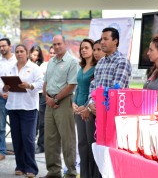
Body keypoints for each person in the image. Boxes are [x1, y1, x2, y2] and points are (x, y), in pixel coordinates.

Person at [0, 44, 44, 177]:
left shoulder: (34, 68)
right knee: (17, 139)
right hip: (13, 107)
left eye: (22, 51)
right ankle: (20, 166)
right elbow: (2, 87)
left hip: (28, 108)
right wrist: (5, 88)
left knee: (28, 138)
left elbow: (41, 84)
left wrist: (29, 85)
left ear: (27, 53)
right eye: (17, 52)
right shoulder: (10, 67)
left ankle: (31, 168)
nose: (19, 54)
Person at [42, 35, 78, 178]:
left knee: (67, 139)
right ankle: (54, 171)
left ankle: (70, 172)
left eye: (59, 44)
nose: (56, 47)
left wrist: (55, 99)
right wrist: (47, 97)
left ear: (65, 43)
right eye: (54, 44)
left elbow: (72, 85)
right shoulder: (50, 62)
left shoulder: (72, 62)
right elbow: (45, 83)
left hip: (63, 102)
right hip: (49, 103)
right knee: (50, 139)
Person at [82, 27, 132, 125]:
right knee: (95, 141)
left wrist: (99, 105)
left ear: (115, 41)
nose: (102, 42)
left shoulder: (122, 61)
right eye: (101, 39)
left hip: (114, 115)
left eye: (105, 39)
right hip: (97, 113)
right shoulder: (100, 62)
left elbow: (116, 90)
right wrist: (91, 103)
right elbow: (93, 86)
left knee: (111, 140)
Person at [72, 39, 105, 178]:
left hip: (88, 111)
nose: (83, 50)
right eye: (81, 48)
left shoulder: (96, 68)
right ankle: (84, 174)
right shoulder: (81, 67)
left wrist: (85, 107)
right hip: (77, 110)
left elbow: (94, 91)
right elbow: (78, 87)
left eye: (86, 47)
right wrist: (73, 103)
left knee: (91, 146)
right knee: (82, 145)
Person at [0, 38, 17, 161]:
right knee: (1, 126)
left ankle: (18, 149)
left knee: (16, 124)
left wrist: (11, 93)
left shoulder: (17, 60)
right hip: (1, 97)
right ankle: (1, 151)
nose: (2, 48)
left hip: (16, 96)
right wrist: (1, 92)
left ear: (10, 46)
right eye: (0, 46)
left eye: (4, 46)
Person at [35, 46, 56, 154]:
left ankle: (54, 146)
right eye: (51, 52)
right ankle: (41, 145)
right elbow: (41, 80)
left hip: (58, 96)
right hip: (44, 95)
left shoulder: (63, 65)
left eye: (54, 53)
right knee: (42, 122)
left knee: (56, 122)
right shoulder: (44, 65)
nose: (52, 54)